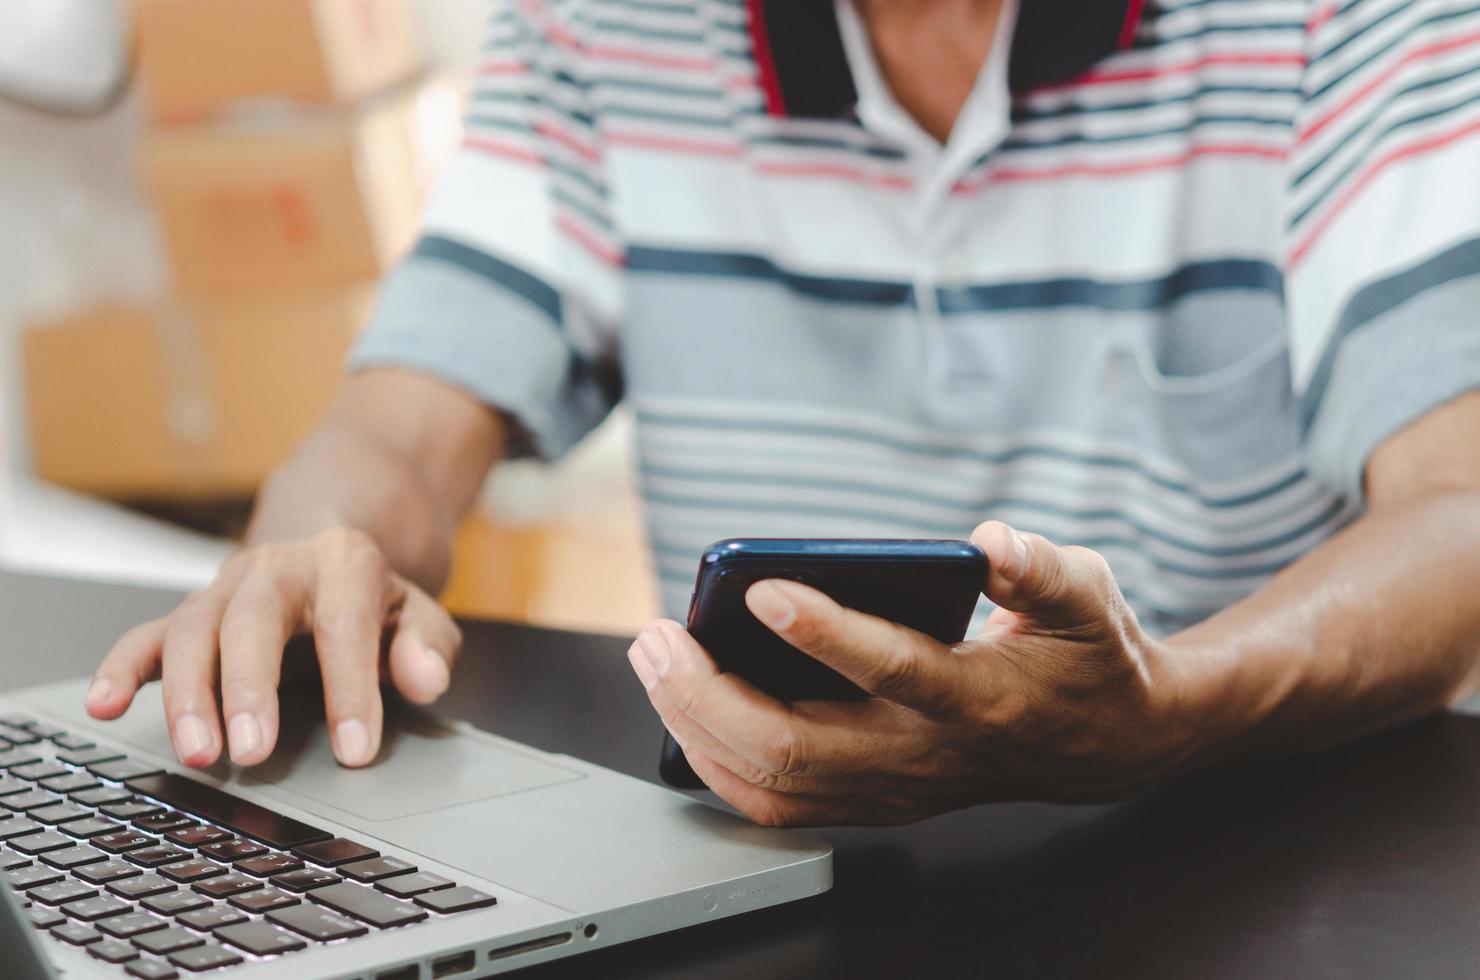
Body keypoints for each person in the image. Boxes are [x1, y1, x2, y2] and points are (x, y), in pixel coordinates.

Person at [87, 0, 1480, 827]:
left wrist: (1172, 705)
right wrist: (312, 546)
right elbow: (396, 432)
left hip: (1255, 854)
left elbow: (1459, 508)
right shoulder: (603, 26)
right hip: (762, 855)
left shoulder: (1346, 20)